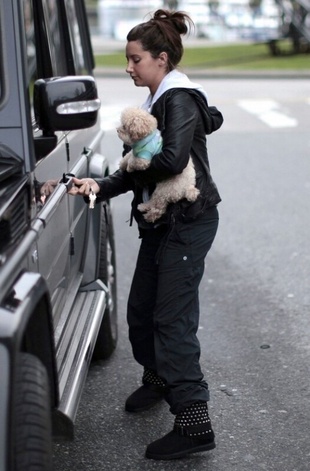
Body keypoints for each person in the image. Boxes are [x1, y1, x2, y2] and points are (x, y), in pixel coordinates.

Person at [69, 9, 223, 461]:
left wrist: (126, 171)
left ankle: (195, 425)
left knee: (171, 319)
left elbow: (171, 162)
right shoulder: (157, 101)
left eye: (135, 59)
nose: (128, 67)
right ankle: (157, 379)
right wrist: (100, 184)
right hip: (161, 220)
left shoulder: (177, 100)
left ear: (160, 58)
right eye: (127, 59)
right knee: (140, 310)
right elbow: (136, 170)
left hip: (188, 219)